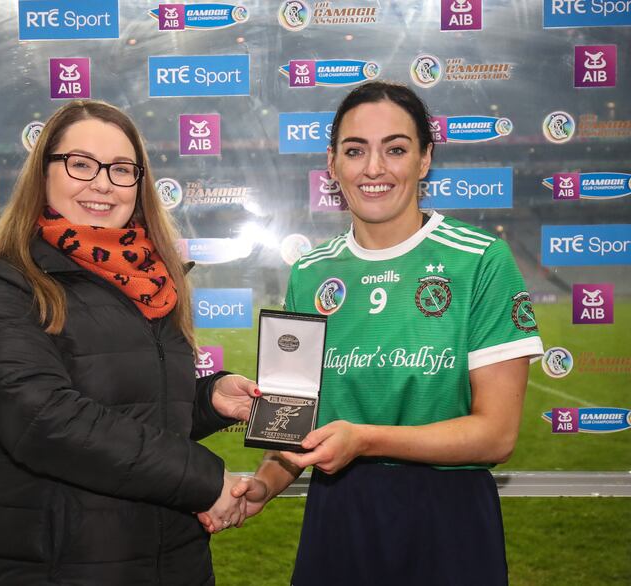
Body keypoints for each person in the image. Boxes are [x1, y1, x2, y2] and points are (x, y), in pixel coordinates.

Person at [226, 81, 544, 585]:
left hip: (450, 523)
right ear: (332, 164)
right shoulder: (310, 272)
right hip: (339, 517)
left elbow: (496, 434)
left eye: (395, 149)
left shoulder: (480, 260)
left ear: (424, 160)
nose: (374, 168)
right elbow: (291, 425)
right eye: (355, 151)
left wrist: (366, 439)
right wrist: (264, 484)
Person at [0, 99, 259, 585]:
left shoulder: (155, 283)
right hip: (55, 566)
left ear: (139, 183)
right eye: (80, 164)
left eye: (120, 169)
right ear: (45, 173)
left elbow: (133, 411)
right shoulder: (0, 284)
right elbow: (46, 421)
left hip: (171, 561)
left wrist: (208, 401)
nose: (101, 183)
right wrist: (204, 480)